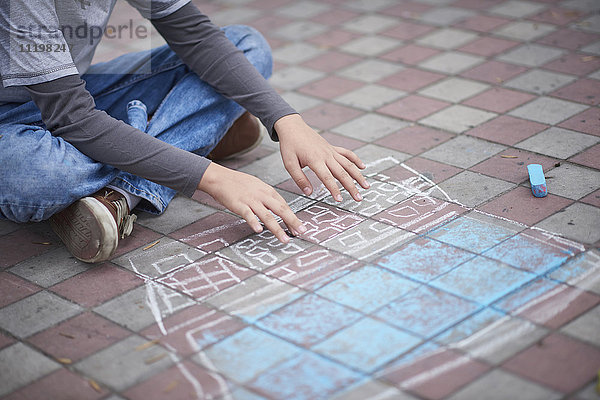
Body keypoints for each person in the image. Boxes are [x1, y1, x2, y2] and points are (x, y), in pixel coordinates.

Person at [0, 0, 370, 263]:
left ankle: (124, 190)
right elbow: (74, 119)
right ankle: (193, 134)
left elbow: (195, 35)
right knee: (42, 175)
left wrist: (288, 121)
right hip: (15, 121)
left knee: (246, 44)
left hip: (70, 91)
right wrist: (213, 177)